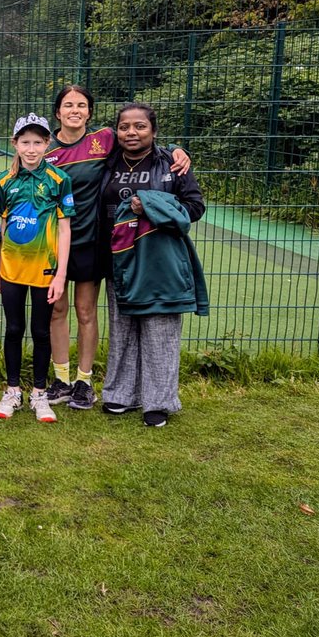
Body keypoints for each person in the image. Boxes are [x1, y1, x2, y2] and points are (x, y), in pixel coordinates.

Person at [43, 85, 190, 411]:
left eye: (81, 105)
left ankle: (84, 381)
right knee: (57, 310)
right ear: (58, 112)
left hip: (92, 241)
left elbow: (142, 141)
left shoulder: (104, 140)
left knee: (85, 311)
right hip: (53, 242)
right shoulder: (46, 150)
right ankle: (60, 378)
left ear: (90, 113)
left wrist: (176, 149)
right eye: (68, 105)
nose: (75, 110)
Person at [99, 103, 207, 427]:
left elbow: (194, 207)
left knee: (160, 330)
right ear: (116, 131)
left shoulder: (172, 164)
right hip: (119, 259)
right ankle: (120, 395)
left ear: (154, 131)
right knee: (122, 328)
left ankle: (158, 403)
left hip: (159, 261)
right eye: (125, 127)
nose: (132, 132)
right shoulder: (108, 161)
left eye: (140, 126)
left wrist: (148, 203)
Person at [0, 114, 73, 424]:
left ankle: (39, 394)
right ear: (15, 144)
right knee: (14, 329)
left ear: (47, 143)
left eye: (38, 142)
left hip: (45, 271)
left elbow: (65, 230)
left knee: (41, 331)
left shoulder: (59, 180)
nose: (31, 148)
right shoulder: (4, 182)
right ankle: (12, 391)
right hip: (11, 270)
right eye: (25, 142)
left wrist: (61, 274)